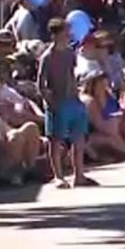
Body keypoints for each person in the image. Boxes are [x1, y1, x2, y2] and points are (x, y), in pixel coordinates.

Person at [38, 18, 93, 189]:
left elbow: (72, 73)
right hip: (58, 102)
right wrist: (49, 102)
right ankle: (58, 176)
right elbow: (41, 83)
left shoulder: (70, 53)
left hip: (73, 100)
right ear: (56, 34)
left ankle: (79, 175)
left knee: (79, 138)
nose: (69, 34)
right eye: (65, 31)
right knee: (56, 140)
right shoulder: (48, 56)